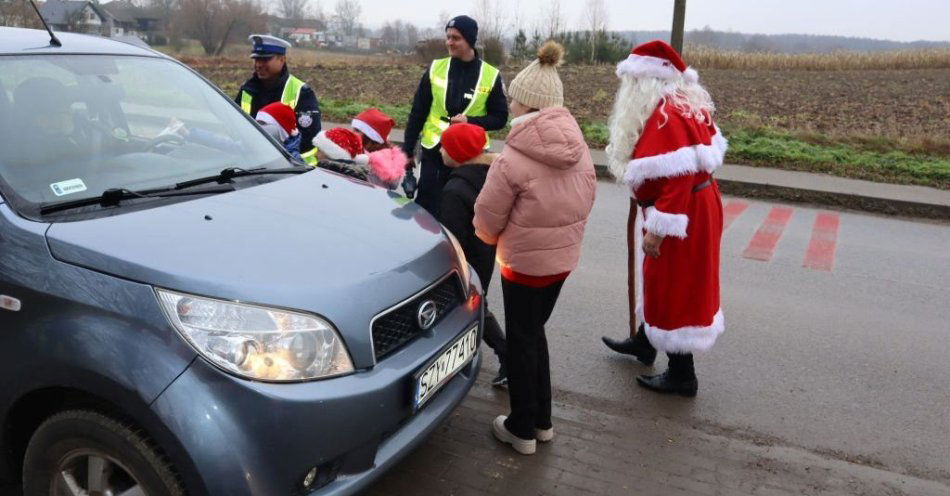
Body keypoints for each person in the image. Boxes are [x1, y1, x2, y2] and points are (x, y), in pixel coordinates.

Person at [474, 42, 596, 455]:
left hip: (523, 266)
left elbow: (487, 217)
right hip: (562, 261)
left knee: (522, 339)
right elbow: (588, 198)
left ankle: (521, 428)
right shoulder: (579, 149)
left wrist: (488, 240)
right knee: (534, 333)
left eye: (513, 99)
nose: (510, 105)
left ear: (527, 104)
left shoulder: (513, 157)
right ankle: (543, 421)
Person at [602, 40, 728, 397]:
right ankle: (646, 341)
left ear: (646, 81)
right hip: (694, 206)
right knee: (662, 280)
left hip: (680, 212)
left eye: (632, 81)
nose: (627, 89)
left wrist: (657, 229)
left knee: (676, 285)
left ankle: (682, 374)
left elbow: (679, 175)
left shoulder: (667, 114)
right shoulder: (682, 103)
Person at [400, 15, 508, 214]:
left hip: (470, 156)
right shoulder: (435, 68)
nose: (449, 42)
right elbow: (418, 112)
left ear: (470, 40)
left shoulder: (491, 75)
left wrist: (470, 121)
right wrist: (407, 150)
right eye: (448, 37)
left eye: (456, 38)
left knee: (459, 210)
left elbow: (500, 118)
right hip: (434, 151)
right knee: (426, 209)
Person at [437, 123, 508, 387]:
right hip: (485, 253)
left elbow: (452, 237)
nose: (440, 150)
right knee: (475, 303)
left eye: (445, 146)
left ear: (457, 153)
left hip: (465, 260)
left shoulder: (455, 190)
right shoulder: (489, 177)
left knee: (467, 306)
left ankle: (505, 354)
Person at [235, 34, 322, 163]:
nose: (259, 65)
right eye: (256, 60)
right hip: (251, 164)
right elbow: (234, 126)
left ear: (282, 59)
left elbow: (309, 138)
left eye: (265, 60)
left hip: (294, 167)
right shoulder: (247, 90)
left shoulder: (301, 92)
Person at [313, 127, 406, 189]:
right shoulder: (356, 174)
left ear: (332, 155)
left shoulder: (338, 182)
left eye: (320, 150)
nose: (315, 154)